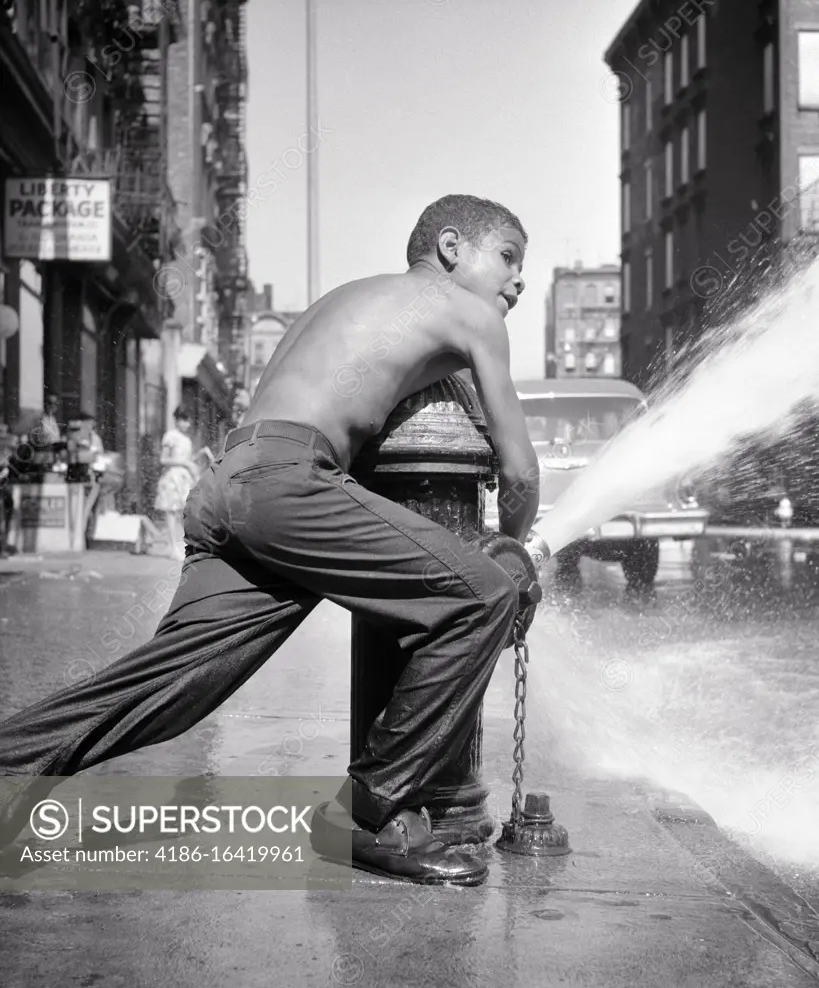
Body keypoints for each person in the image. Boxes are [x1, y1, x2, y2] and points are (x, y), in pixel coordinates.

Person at [0, 195, 540, 886]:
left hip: (229, 479)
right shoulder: (472, 314)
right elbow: (519, 469)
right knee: (483, 597)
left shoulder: (349, 299)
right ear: (450, 247)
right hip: (287, 480)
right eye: (507, 257)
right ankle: (364, 817)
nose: (517, 281)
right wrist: (513, 547)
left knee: (175, 685)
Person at [154, 407, 198, 562]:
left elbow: (188, 459)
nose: (187, 424)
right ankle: (172, 547)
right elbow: (163, 459)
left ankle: (178, 546)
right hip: (173, 476)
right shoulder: (170, 436)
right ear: (177, 420)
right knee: (171, 512)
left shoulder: (187, 440)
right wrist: (184, 463)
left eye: (188, 421)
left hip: (184, 477)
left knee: (182, 512)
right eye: (184, 420)